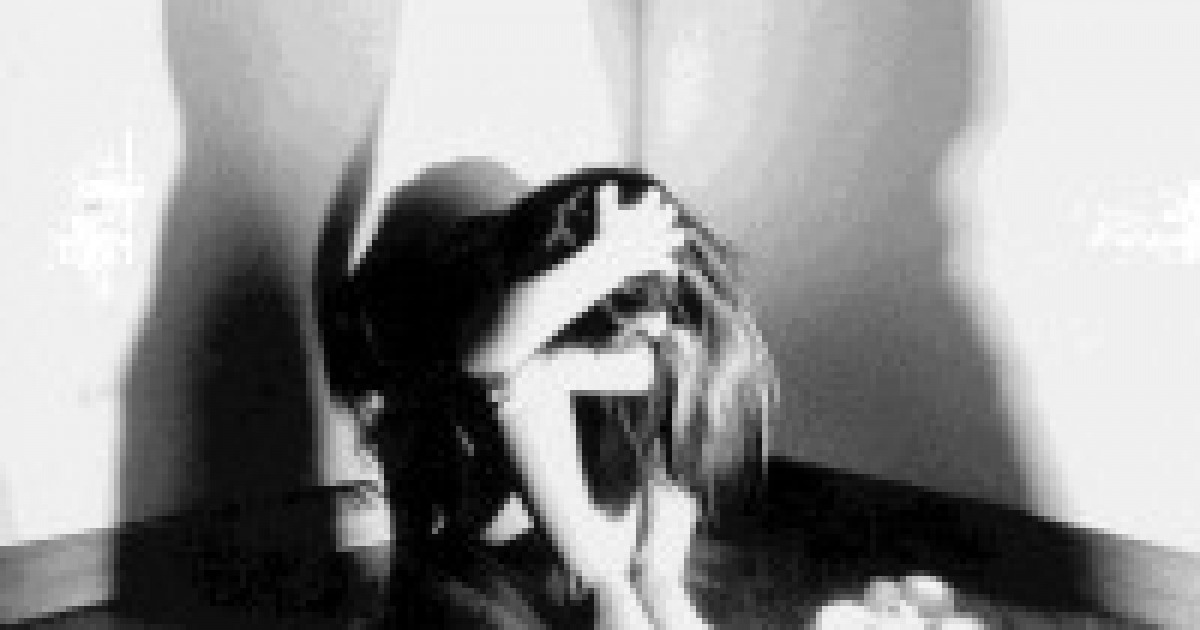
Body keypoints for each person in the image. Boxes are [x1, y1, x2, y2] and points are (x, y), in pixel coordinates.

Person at [315, 157, 779, 629]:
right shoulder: (510, 352)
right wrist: (603, 263)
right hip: (504, 549)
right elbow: (487, 358)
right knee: (524, 391)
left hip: (590, 535)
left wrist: (658, 582)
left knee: (652, 568)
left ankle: (637, 583)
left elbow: (669, 486)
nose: (650, 338)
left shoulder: (672, 356)